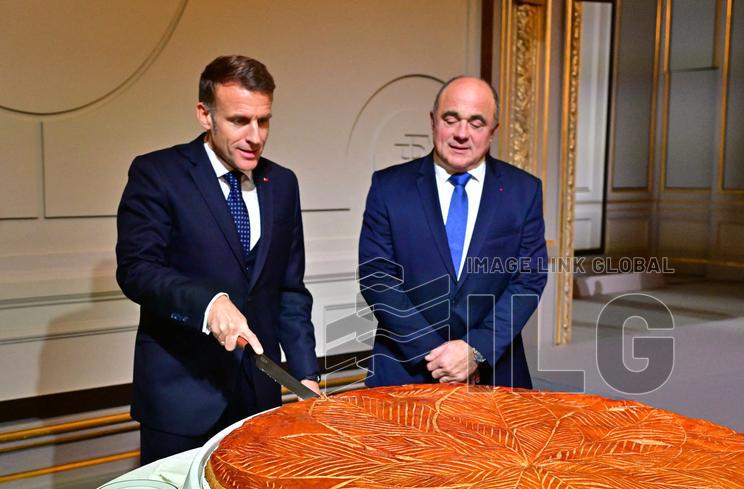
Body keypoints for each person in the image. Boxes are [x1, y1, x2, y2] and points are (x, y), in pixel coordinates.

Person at [116, 55, 320, 465]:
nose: (255, 136)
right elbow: (137, 270)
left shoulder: (282, 183)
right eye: (239, 121)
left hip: (259, 397)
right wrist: (209, 304)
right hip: (180, 398)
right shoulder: (158, 173)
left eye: (263, 121)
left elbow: (289, 291)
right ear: (204, 115)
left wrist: (305, 375)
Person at [358, 76, 547, 388]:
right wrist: (436, 354)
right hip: (406, 368)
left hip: (495, 369)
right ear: (433, 122)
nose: (462, 133)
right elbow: (377, 276)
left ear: (493, 131)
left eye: (476, 122)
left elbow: (528, 279)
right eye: (451, 119)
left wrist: (475, 349)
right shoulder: (388, 187)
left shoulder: (523, 191)